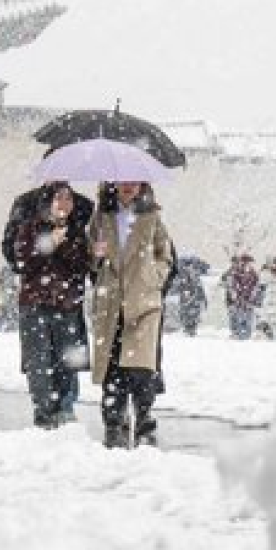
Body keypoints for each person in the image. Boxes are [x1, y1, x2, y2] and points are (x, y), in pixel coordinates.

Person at [88, 181, 175, 448]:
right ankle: (114, 421)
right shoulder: (102, 217)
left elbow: (166, 255)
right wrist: (95, 254)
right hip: (111, 301)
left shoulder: (152, 218)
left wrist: (154, 276)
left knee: (142, 368)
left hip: (143, 301)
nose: (128, 186)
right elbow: (90, 257)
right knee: (112, 365)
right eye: (123, 180)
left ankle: (144, 420)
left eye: (133, 181)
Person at [11, 183, 92, 428]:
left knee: (67, 360)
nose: (64, 204)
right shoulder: (30, 227)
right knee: (39, 361)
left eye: (69, 199)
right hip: (36, 305)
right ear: (48, 202)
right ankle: (44, 411)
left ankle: (63, 408)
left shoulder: (77, 232)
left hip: (67, 305)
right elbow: (22, 262)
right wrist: (48, 244)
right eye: (59, 198)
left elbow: (81, 267)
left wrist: (72, 246)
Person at [221, 255, 261, 340]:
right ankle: (236, 336)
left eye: (251, 263)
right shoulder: (235, 272)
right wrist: (237, 297)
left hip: (248, 302)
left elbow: (256, 286)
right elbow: (232, 286)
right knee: (237, 321)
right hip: (237, 303)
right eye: (249, 263)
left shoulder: (253, 274)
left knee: (247, 323)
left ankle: (242, 337)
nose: (251, 264)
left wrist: (254, 298)